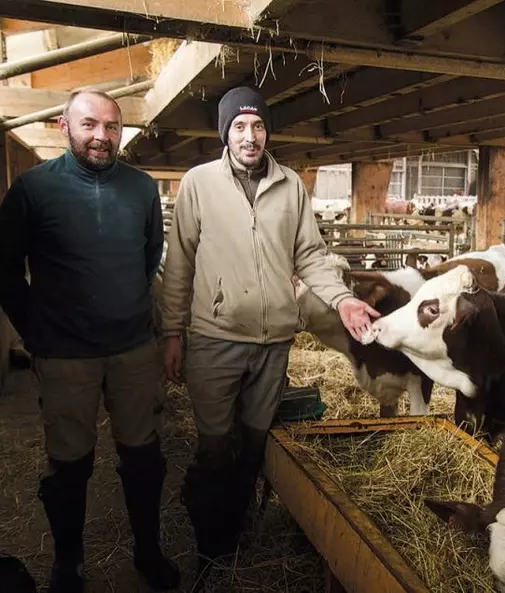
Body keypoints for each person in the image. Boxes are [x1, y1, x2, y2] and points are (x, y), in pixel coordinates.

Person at [159, 86, 379, 579]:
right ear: (225, 132)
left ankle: (235, 534)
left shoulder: (291, 185)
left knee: (254, 446)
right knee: (215, 447)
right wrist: (172, 331)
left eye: (257, 126)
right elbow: (180, 264)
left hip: (274, 343)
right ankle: (210, 547)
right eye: (239, 126)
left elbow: (311, 257)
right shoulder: (198, 183)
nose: (250, 136)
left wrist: (342, 299)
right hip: (215, 338)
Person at [0, 90, 179, 593]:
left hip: (132, 349)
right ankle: (68, 562)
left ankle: (148, 550)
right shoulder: (33, 189)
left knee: (143, 454)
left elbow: (150, 256)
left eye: (111, 127)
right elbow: (7, 267)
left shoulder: (141, 188)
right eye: (89, 124)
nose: (101, 135)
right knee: (69, 462)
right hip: (64, 354)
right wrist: (34, 330)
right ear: (64, 126)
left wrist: (129, 309)